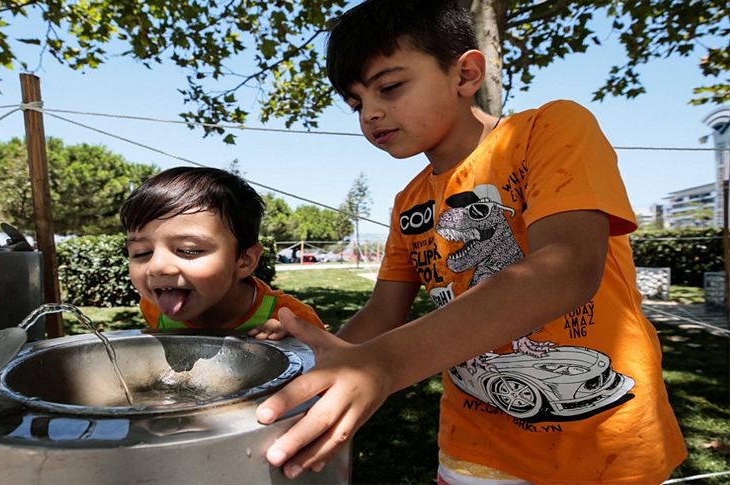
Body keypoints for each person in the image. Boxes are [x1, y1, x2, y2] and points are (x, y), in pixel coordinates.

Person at [255, 0, 688, 482]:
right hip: (474, 450)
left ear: (465, 74)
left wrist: (383, 365)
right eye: (357, 103)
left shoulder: (551, 129)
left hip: (607, 446)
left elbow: (566, 268)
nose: (371, 115)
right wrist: (313, 361)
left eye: (390, 87)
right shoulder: (409, 201)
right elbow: (382, 311)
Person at [120, 166, 324, 338]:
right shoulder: (153, 308)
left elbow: (328, 364)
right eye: (141, 253)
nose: (156, 267)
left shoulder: (292, 318)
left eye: (188, 250)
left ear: (245, 260)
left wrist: (295, 342)